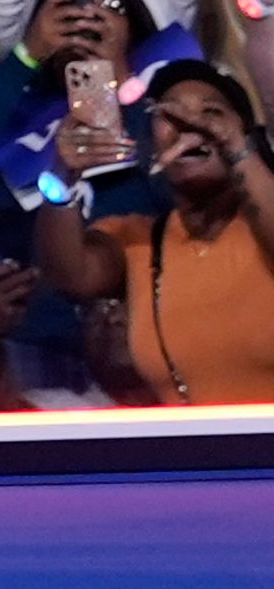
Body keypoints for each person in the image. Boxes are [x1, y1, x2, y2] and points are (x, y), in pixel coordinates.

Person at [35, 58, 274, 405]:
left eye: (212, 112)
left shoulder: (261, 229)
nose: (193, 125)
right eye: (171, 117)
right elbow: (69, 275)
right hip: (201, 456)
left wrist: (236, 147)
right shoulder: (140, 241)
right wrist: (61, 178)